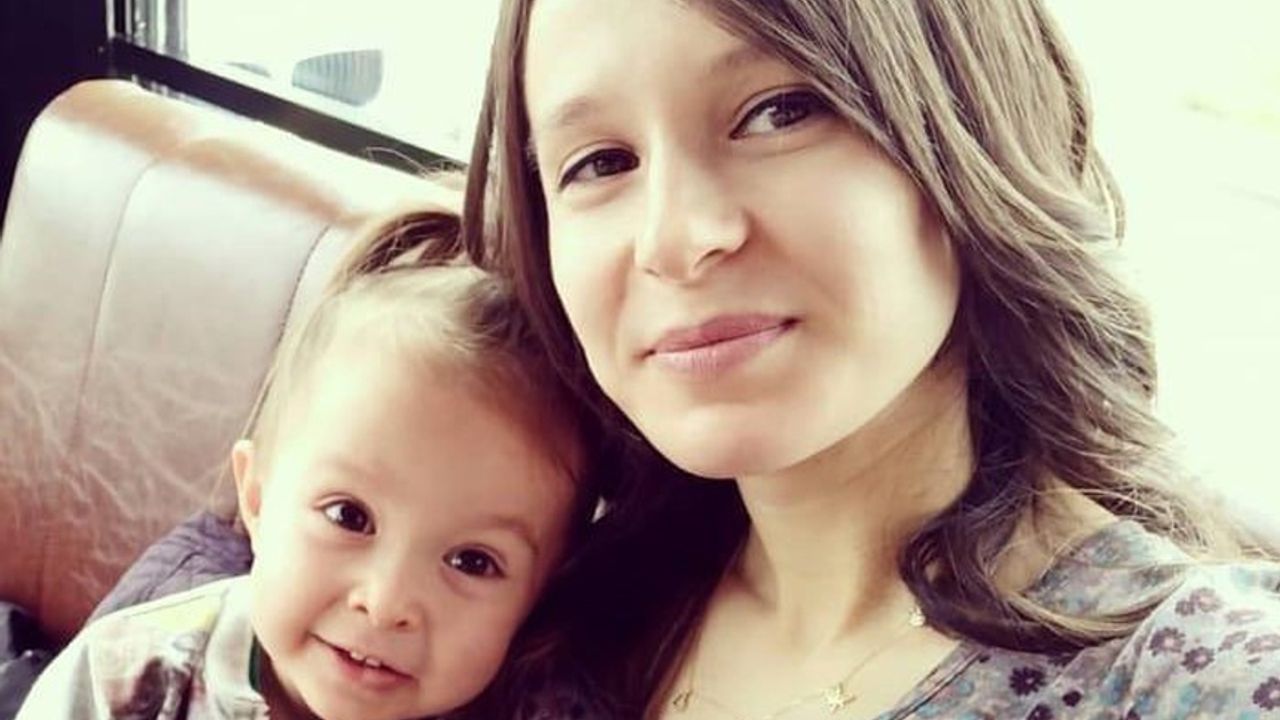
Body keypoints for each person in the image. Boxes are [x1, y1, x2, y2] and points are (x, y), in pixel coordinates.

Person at [460, 0, 1280, 718]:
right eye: (600, 163)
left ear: (967, 124)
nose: (672, 241)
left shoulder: (1200, 678)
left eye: (780, 112)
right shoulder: (518, 615)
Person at [16, 211, 594, 720]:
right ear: (257, 498)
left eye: (473, 561)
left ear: (537, 596)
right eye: (349, 516)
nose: (386, 602)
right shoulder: (125, 677)